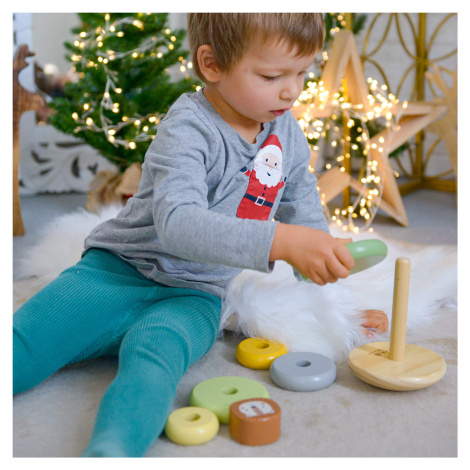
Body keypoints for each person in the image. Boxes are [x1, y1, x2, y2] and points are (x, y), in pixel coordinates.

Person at [13, 13, 388, 458]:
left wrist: (334, 289)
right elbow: (178, 223)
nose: (292, 90)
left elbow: (301, 205)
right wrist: (282, 241)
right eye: (272, 76)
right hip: (117, 271)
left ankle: (111, 453)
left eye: (303, 72)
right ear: (211, 64)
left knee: (153, 369)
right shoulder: (188, 125)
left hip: (195, 296)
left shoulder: (286, 130)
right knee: (28, 343)